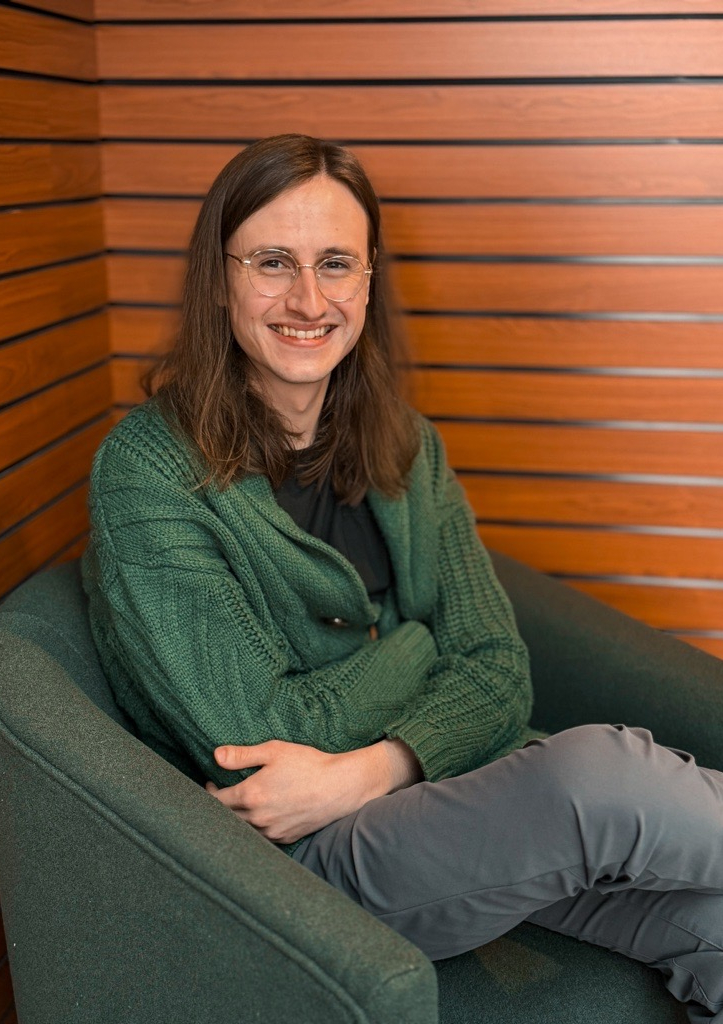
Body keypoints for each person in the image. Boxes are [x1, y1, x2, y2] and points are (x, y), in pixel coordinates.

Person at [82, 134, 723, 1022]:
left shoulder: (405, 445)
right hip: (295, 864)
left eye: (335, 263)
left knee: (716, 921)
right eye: (273, 262)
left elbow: (499, 669)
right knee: (599, 776)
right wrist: (416, 645)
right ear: (218, 277)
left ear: (370, 277)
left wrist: (374, 764)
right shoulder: (147, 472)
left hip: (437, 802)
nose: (307, 299)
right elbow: (260, 736)